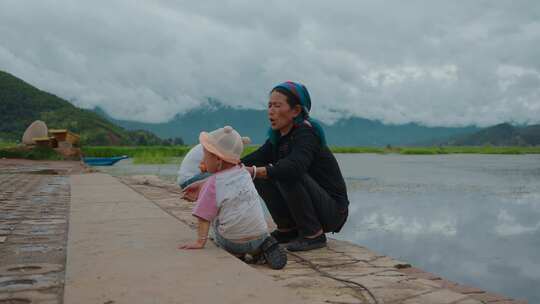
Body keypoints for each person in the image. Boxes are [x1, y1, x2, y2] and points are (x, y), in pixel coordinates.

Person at [242, 81, 349, 252]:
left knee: (286, 172)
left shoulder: (307, 133)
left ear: (296, 110)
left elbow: (294, 167)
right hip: (315, 205)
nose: (271, 111)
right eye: (269, 105)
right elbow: (253, 160)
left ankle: (313, 235)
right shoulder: (277, 138)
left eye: (277, 105)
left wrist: (255, 171)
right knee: (261, 174)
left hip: (333, 211)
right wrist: (226, 166)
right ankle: (288, 230)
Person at [179, 126, 287, 269]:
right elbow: (225, 180)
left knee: (215, 220)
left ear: (218, 160)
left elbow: (203, 217)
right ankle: (258, 249)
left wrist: (200, 242)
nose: (202, 161)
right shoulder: (244, 172)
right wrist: (201, 186)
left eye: (206, 156)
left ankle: (237, 253)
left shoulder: (213, 183)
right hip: (260, 234)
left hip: (232, 242)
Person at [178, 137, 251, 201]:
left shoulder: (209, 145)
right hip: (189, 181)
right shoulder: (212, 149)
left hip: (188, 179)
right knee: (228, 177)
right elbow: (223, 169)